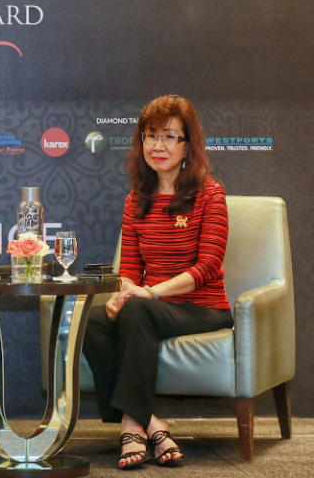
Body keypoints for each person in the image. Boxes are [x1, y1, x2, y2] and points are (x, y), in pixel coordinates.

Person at [83, 95, 233, 469]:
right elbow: (130, 268)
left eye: (169, 136)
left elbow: (209, 267)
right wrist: (124, 293)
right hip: (151, 306)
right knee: (90, 322)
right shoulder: (137, 199)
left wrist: (148, 292)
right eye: (151, 136)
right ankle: (151, 422)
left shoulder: (210, 194)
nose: (158, 146)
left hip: (203, 307)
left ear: (188, 146)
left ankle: (131, 427)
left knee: (137, 313)